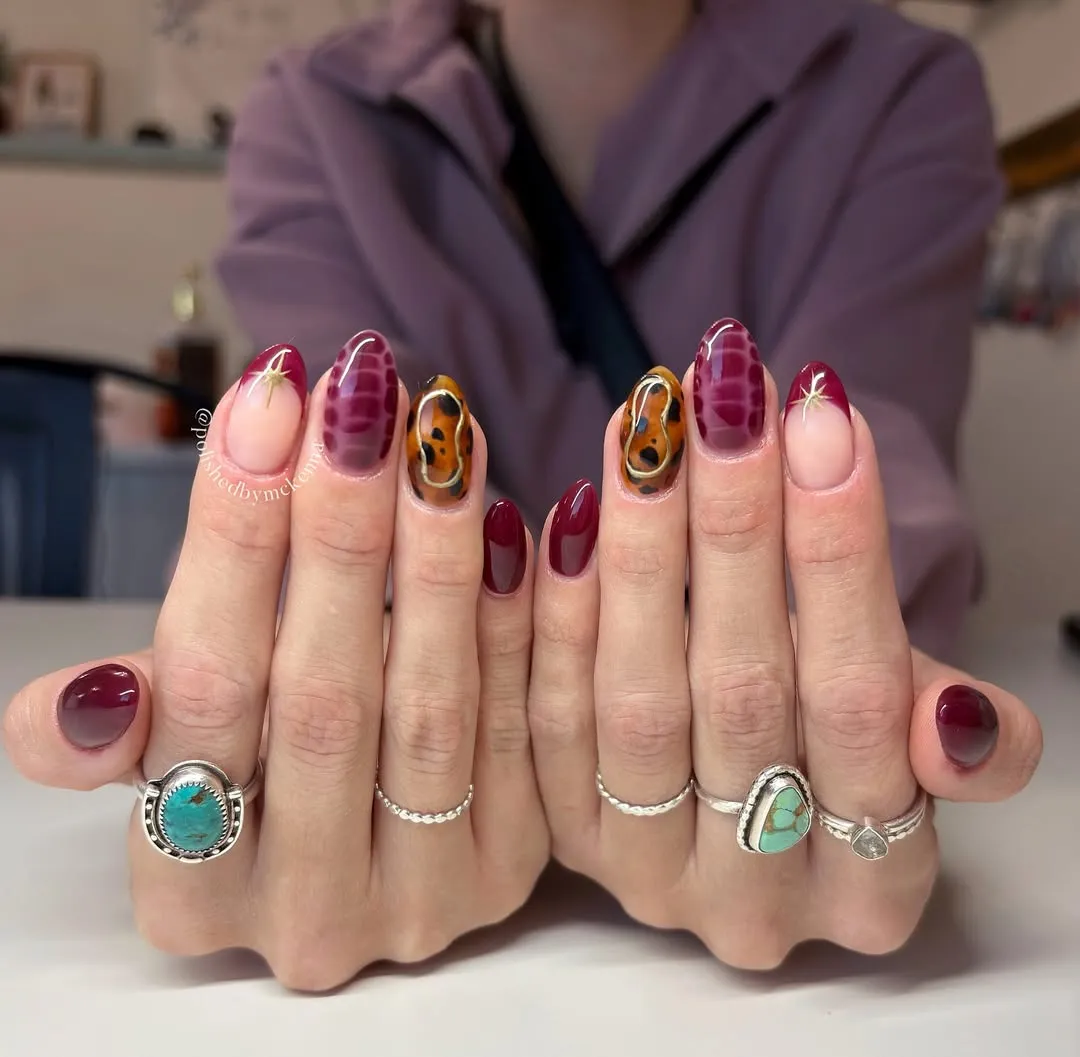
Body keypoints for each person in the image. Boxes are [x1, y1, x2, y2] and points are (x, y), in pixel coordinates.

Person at [2, 0, 1043, 990]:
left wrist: (474, 670)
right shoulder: (315, 111)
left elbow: (881, 505)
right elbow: (330, 519)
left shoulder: (899, 86)